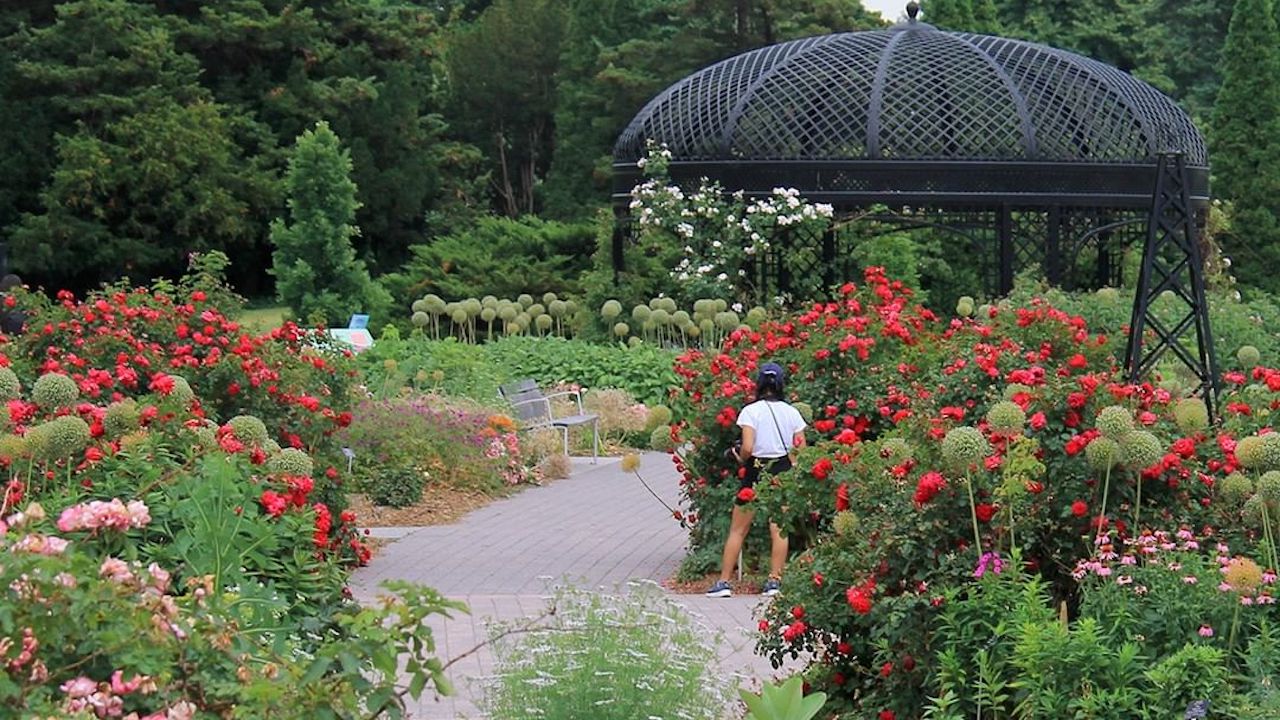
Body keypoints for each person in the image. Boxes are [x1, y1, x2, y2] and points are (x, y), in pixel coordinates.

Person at [706, 362, 807, 598]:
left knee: (738, 529)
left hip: (755, 470)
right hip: (781, 469)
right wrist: (791, 467)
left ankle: (724, 583)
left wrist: (739, 457)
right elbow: (799, 449)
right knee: (779, 529)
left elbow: (748, 447)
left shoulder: (751, 411)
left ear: (759, 384)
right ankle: (774, 581)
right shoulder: (792, 412)